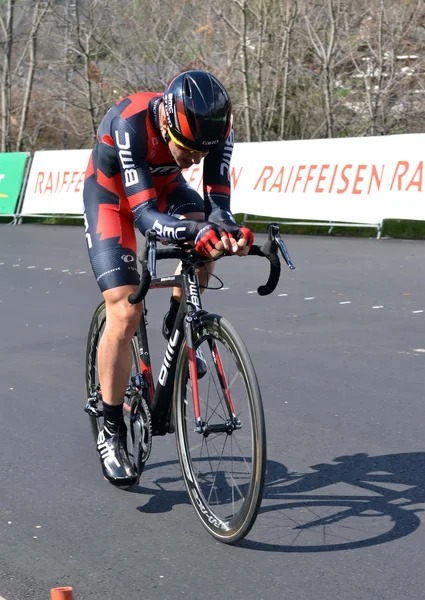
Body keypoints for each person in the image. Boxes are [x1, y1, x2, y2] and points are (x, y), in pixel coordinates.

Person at [83, 70, 254, 487]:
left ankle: (179, 321)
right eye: (188, 149)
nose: (196, 158)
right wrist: (197, 230)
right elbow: (143, 217)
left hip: (164, 190)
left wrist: (226, 230)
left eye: (203, 151)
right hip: (114, 200)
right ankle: (110, 427)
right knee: (124, 312)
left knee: (209, 239)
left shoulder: (218, 129)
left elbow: (218, 201)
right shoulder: (130, 122)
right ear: (166, 124)